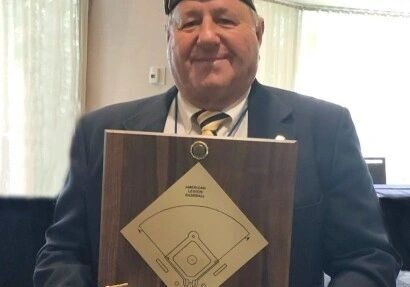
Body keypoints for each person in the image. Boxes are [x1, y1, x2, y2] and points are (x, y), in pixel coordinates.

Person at [34, 0, 401, 286]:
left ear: (258, 32)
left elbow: (367, 259)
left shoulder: (324, 129)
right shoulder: (100, 132)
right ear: (167, 37)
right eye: (189, 22)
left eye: (225, 20)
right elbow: (61, 255)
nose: (207, 37)